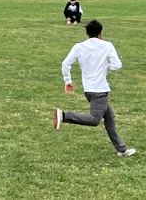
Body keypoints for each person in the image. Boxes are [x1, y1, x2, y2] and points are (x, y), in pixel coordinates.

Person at [53, 19, 136, 157]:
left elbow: (65, 64)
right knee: (94, 120)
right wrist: (105, 66)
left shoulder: (79, 46)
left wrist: (68, 81)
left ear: (88, 33)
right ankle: (63, 115)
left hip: (89, 90)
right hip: (100, 91)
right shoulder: (107, 46)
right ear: (100, 32)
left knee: (109, 117)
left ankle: (122, 149)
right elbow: (117, 65)